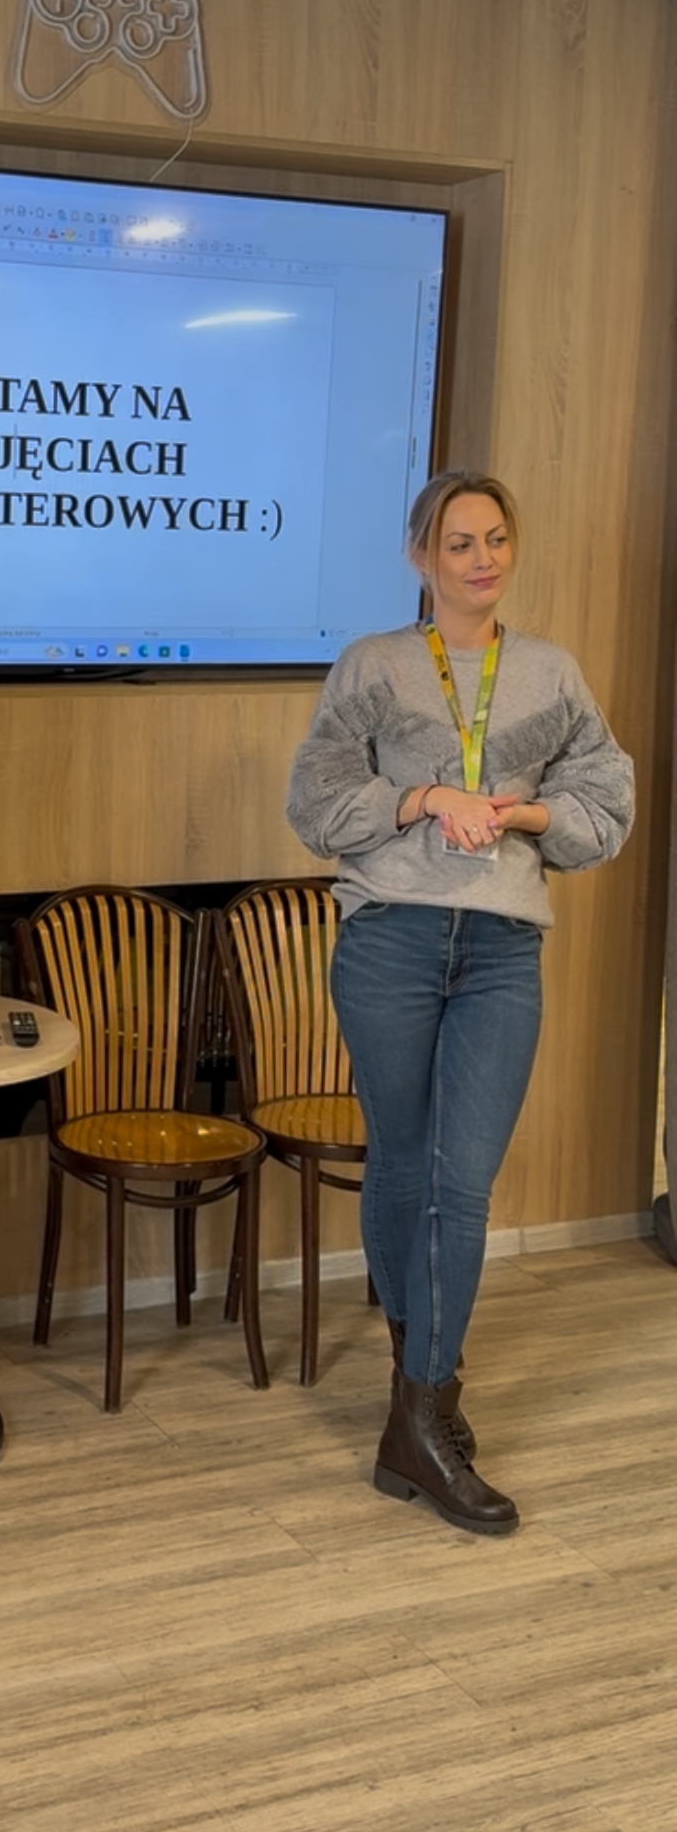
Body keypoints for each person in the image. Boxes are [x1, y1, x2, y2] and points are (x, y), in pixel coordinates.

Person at [285, 470, 633, 1536]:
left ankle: (423, 1409)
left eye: (495, 540)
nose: (481, 559)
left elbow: (606, 800)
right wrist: (425, 796)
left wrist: (525, 812)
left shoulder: (551, 672)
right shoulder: (375, 665)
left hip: (500, 946)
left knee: (460, 1180)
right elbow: (315, 800)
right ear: (420, 556)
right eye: (458, 543)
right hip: (389, 936)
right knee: (401, 1164)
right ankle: (421, 1404)